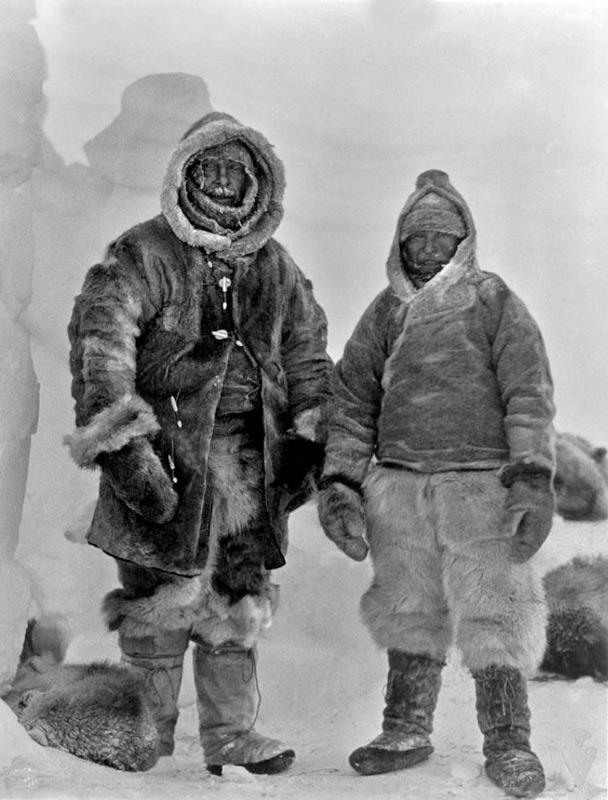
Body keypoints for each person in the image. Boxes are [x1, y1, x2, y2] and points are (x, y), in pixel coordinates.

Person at [65, 111, 332, 775]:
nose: (220, 181)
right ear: (184, 175)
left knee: (237, 600)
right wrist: (124, 445)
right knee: (158, 597)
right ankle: (145, 733)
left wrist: (309, 431)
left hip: (249, 459)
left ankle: (233, 739)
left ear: (257, 184)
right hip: (169, 458)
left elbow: (306, 349)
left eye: (234, 171)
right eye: (207, 168)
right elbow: (104, 345)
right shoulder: (143, 252)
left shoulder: (275, 267)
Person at [317, 169, 555, 798]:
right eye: (417, 238)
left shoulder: (493, 300)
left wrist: (531, 477)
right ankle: (405, 728)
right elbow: (351, 401)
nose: (428, 249)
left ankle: (509, 742)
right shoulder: (385, 310)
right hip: (397, 488)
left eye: (441, 238)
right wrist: (340, 483)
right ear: (401, 243)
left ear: (463, 241)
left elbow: (527, 392)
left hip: (481, 488)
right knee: (409, 608)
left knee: (495, 612)